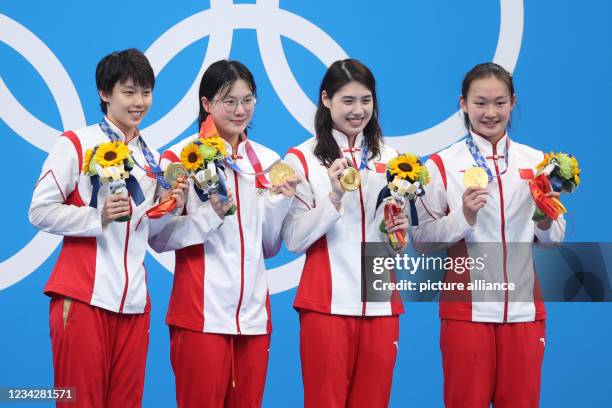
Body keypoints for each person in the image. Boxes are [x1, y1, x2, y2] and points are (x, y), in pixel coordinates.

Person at [28, 48, 188, 407]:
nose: (139, 102)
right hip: (84, 296)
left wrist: (174, 206)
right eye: (129, 92)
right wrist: (94, 218)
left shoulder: (153, 159)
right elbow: (39, 211)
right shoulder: (76, 144)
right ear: (105, 93)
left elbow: (155, 237)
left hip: (133, 305)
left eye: (146, 92)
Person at [412, 62, 566, 408]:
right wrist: (463, 217)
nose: (490, 113)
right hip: (467, 313)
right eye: (480, 102)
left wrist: (544, 217)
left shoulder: (540, 162)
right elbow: (421, 240)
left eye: (499, 102)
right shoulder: (441, 165)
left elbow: (554, 238)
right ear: (463, 104)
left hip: (525, 313)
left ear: (513, 102)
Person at [151, 59, 298, 407]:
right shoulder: (177, 159)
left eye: (248, 100)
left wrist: (278, 203)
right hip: (200, 315)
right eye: (228, 101)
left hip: (253, 319)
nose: (240, 110)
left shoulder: (268, 161)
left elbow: (269, 245)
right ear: (206, 104)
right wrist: (208, 217)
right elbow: (157, 238)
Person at [282, 59, 407, 407]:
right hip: (327, 304)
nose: (358, 110)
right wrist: (334, 197)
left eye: (366, 100)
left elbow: (394, 240)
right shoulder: (301, 158)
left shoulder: (393, 158)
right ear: (326, 99)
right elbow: (292, 239)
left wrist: (400, 233)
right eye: (348, 100)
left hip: (380, 303)